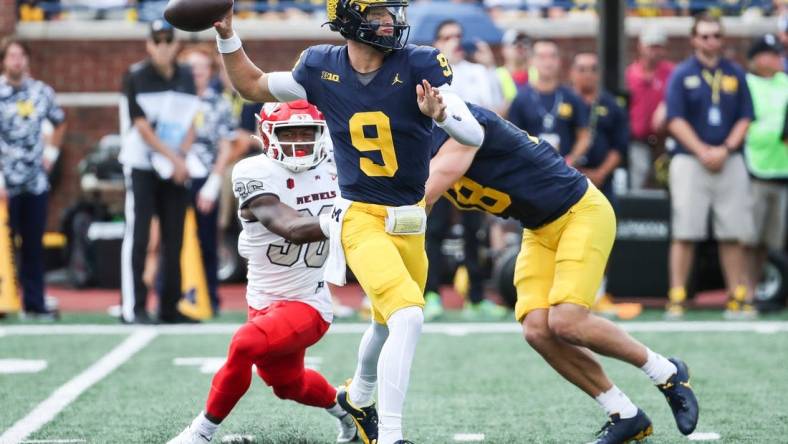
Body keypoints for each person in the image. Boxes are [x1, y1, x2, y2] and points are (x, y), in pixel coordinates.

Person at [211, 0, 484, 442]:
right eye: (378, 12)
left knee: (383, 322)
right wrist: (227, 35)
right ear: (349, 18)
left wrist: (443, 116)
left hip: (411, 218)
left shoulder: (418, 62)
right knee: (408, 317)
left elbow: (474, 133)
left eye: (391, 11)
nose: (390, 21)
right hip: (360, 217)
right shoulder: (320, 66)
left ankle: (358, 394)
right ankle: (391, 436)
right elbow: (253, 84)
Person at [426, 101, 699, 444]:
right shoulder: (415, 142)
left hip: (579, 211)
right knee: (537, 330)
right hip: (538, 228)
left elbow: (425, 194)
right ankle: (624, 413)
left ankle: (667, 371)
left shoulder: (458, 124)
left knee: (567, 321)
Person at [168, 100, 358, 444]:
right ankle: (347, 411)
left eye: (307, 132)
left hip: (309, 302)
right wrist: (346, 219)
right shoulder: (253, 171)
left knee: (244, 343)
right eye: (289, 133)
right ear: (266, 135)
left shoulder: (338, 165)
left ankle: (201, 433)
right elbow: (289, 227)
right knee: (290, 385)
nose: (299, 141)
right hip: (264, 300)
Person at [664, 13, 755, 320]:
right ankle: (677, 294)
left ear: (722, 38)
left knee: (733, 231)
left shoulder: (735, 73)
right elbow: (674, 120)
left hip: (729, 159)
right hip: (691, 160)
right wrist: (703, 150)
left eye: (716, 35)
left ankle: (736, 295)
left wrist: (726, 149)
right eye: (704, 36)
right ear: (693, 39)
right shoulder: (682, 74)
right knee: (685, 231)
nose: (711, 41)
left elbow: (745, 116)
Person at [423, 19, 507, 321]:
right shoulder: (427, 72)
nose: (454, 41)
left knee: (476, 230)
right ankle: (430, 294)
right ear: (436, 42)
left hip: (474, 160)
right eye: (446, 36)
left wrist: (493, 67)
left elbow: (497, 111)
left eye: (458, 36)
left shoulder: (479, 72)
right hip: (438, 159)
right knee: (434, 228)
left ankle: (475, 296)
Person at [119, 19, 200, 324]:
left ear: (176, 44)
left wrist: (180, 159)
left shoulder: (186, 75)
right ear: (149, 45)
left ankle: (169, 307)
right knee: (139, 235)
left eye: (168, 40)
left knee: (174, 237)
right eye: (158, 41)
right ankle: (134, 307)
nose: (164, 46)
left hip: (174, 166)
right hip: (142, 164)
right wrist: (175, 159)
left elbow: (192, 120)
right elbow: (142, 128)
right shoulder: (136, 76)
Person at [0, 36, 66, 320]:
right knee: (3, 243)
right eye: (11, 55)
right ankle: (4, 301)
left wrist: (50, 153)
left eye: (21, 55)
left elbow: (60, 121)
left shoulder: (41, 91)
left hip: (35, 180)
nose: (17, 60)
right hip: (5, 181)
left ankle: (35, 303)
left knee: (33, 245)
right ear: (3, 60)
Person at [181, 46, 238, 315]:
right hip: (177, 176)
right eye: (191, 67)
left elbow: (227, 144)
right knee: (171, 239)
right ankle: (173, 296)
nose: (196, 73)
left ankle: (210, 298)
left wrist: (214, 182)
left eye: (201, 68)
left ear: (210, 72)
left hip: (205, 178)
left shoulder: (219, 102)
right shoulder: (175, 99)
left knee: (207, 240)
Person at [743, 34, 788, 306]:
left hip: (782, 169)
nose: (776, 58)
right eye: (770, 53)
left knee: (772, 241)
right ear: (756, 58)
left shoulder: (786, 82)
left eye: (778, 53)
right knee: (750, 238)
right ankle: (744, 290)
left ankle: (759, 290)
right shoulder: (747, 84)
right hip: (754, 168)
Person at [508, 39, 591, 167]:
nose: (548, 62)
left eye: (552, 56)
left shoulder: (572, 97)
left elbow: (584, 136)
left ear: (559, 61)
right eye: (541, 57)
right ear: (531, 62)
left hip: (565, 173)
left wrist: (571, 161)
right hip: (531, 172)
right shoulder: (521, 99)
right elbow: (512, 139)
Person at [570, 52, 628, 203]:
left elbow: (620, 145)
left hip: (602, 181)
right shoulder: (563, 101)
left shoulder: (612, 105)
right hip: (567, 179)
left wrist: (600, 173)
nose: (588, 74)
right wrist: (574, 171)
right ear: (572, 72)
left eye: (593, 69)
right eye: (582, 69)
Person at [625, 27, 674, 190]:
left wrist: (667, 104)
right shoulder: (630, 74)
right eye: (651, 46)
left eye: (659, 46)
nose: (655, 51)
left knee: (667, 183)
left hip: (665, 141)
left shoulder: (672, 73)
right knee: (638, 180)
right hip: (637, 141)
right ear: (641, 46)